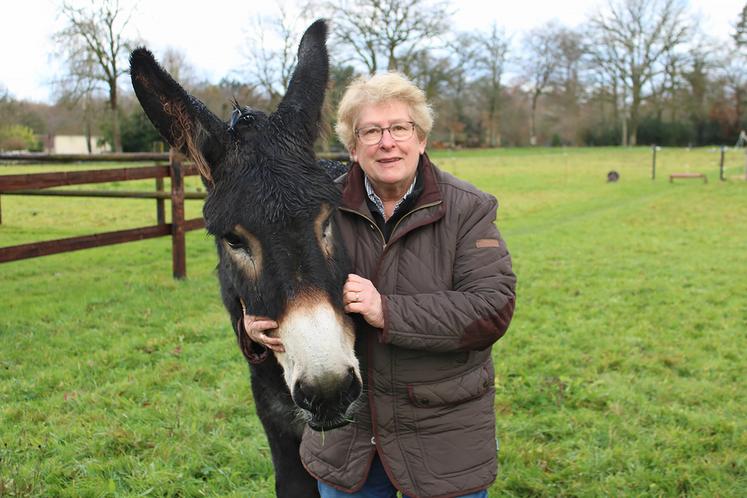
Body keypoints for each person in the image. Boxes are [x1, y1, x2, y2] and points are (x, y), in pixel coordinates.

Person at [245, 72, 516, 498]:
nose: (386, 142)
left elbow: (491, 309)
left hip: (442, 437)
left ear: (421, 139)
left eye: (400, 128)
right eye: (370, 131)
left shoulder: (469, 209)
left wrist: (386, 310)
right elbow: (275, 276)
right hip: (350, 436)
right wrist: (256, 324)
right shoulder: (316, 211)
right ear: (353, 148)